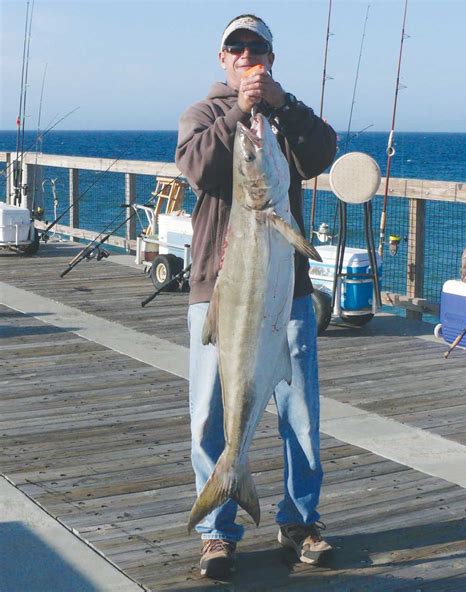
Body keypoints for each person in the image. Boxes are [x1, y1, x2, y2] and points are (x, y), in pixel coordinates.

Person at [176, 14, 337, 579]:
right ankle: (217, 531)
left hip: (284, 290)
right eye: (236, 46)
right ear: (222, 58)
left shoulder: (285, 116)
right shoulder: (204, 114)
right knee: (209, 414)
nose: (246, 54)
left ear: (270, 55)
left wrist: (282, 105)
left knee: (300, 415)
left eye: (257, 46)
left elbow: (321, 155)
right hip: (215, 291)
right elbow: (197, 165)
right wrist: (243, 111)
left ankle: (300, 519)